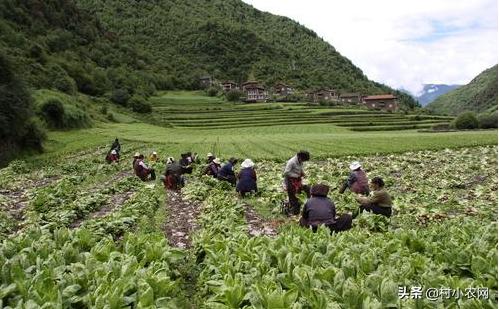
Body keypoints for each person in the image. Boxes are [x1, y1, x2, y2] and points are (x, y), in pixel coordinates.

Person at [283, 150, 311, 215]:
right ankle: (294, 211)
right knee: (293, 195)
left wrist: (303, 173)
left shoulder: (300, 161)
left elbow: (301, 168)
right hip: (290, 180)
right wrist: (296, 175)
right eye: (303, 160)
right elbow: (286, 173)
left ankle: (306, 204)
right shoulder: (291, 162)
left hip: (297, 180)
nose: (303, 162)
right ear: (300, 157)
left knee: (302, 191)